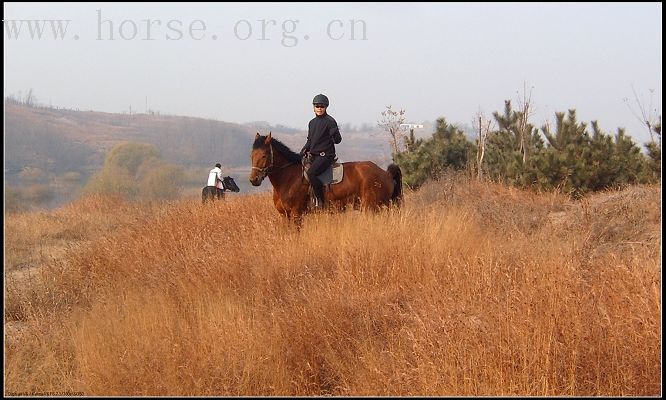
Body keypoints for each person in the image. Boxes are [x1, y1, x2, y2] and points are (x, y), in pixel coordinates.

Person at [299, 94, 342, 209]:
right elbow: (310, 140)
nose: (319, 108)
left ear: (326, 107)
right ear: (313, 107)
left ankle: (320, 201)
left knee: (311, 173)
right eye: (317, 106)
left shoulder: (330, 121)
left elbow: (338, 140)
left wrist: (335, 134)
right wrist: (303, 150)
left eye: (322, 106)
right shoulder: (311, 123)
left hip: (326, 156)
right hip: (313, 155)